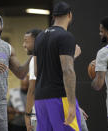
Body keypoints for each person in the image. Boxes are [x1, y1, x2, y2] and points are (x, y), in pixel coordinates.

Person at [23, 29, 88, 131]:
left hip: (51, 108)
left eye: (26, 41)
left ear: (37, 41)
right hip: (45, 110)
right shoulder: (37, 60)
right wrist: (27, 116)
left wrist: (74, 106)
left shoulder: (42, 59)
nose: (24, 45)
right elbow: (33, 89)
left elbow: (57, 79)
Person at [33, 2, 81, 131]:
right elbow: (67, 70)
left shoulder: (39, 37)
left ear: (54, 16)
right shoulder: (66, 36)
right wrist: (71, 104)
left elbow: (37, 71)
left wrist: (71, 58)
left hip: (40, 99)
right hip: (60, 97)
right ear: (70, 15)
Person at [91, 16, 108, 131]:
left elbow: (98, 84)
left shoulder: (105, 52)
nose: (100, 34)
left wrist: (94, 75)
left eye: (101, 31)